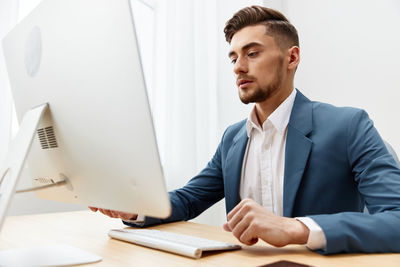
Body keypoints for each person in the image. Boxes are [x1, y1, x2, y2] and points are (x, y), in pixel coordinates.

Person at [90, 5, 400, 254]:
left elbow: (396, 219)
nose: (238, 66)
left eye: (252, 53)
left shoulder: (348, 126)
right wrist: (133, 208)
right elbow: (188, 199)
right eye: (234, 57)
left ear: (291, 57)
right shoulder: (233, 138)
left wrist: (296, 228)